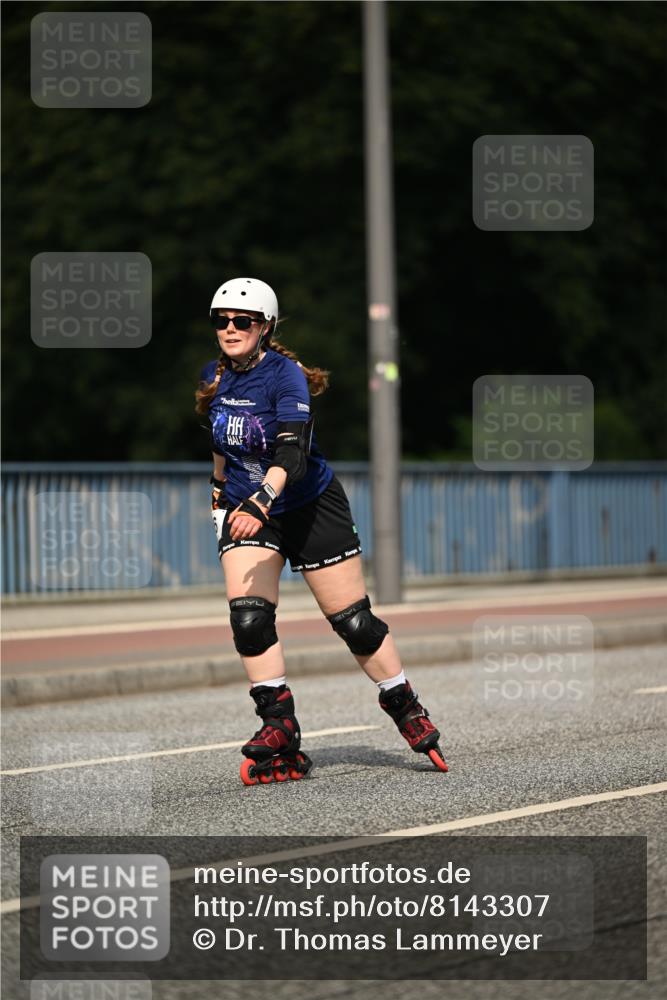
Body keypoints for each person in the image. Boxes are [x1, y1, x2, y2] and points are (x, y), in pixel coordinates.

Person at [196, 277, 447, 784]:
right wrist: (220, 492)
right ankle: (278, 725)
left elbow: (292, 450)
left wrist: (263, 500)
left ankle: (404, 704)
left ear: (264, 326)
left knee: (354, 623)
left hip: (309, 505)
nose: (229, 329)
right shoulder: (213, 377)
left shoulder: (284, 376)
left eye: (241, 321)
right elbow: (221, 441)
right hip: (248, 507)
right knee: (248, 618)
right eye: (221, 320)